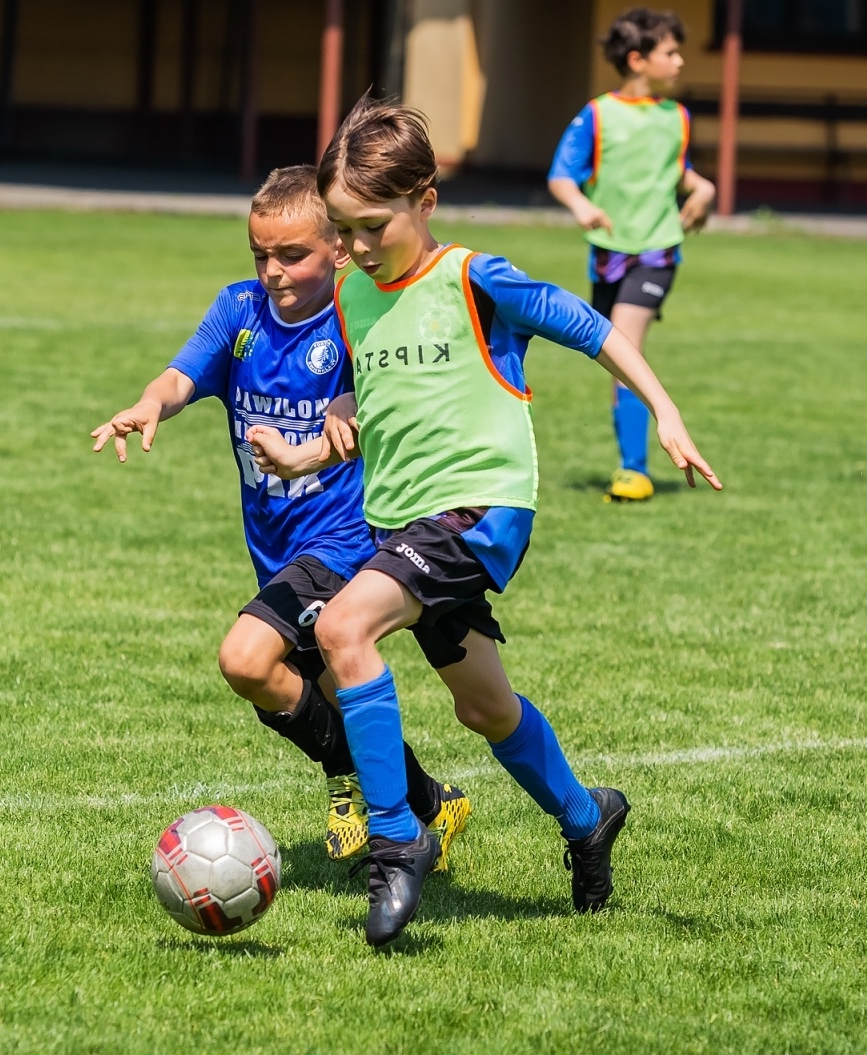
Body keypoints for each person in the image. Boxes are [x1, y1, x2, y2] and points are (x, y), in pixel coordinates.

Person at [247, 98, 722, 946]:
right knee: (485, 708)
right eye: (344, 230)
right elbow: (368, 402)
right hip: (403, 522)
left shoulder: (475, 279)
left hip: (479, 510)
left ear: (425, 201)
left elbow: (591, 327)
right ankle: (587, 816)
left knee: (346, 625)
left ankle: (397, 841)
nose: (354, 248)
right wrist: (306, 455)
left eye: (369, 227)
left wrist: (665, 411)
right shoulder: (356, 298)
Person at [90, 166, 470, 870]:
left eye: (291, 255)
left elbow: (369, 407)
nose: (272, 271)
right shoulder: (238, 310)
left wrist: (325, 436)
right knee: (328, 687)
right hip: (273, 542)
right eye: (259, 253)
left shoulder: (361, 319)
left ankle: (350, 785)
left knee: (246, 658)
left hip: (345, 537)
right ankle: (432, 803)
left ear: (337, 248)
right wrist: (150, 404)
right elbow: (181, 376)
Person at [548, 7, 714, 504]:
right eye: (671, 52)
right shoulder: (597, 115)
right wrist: (581, 205)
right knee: (617, 358)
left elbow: (676, 171)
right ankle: (631, 461)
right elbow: (562, 174)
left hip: (657, 250)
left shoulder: (677, 117)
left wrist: (701, 188)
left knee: (626, 344)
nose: (681, 61)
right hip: (607, 255)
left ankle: (633, 471)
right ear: (638, 60)